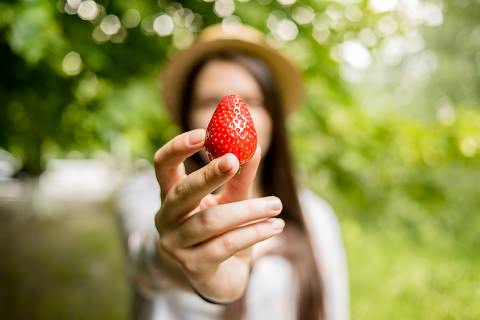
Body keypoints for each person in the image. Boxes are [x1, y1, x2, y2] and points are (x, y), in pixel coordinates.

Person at [116, 23, 349, 320]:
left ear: (274, 117)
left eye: (252, 101)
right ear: (188, 116)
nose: (237, 113)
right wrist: (180, 257)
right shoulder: (144, 194)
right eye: (210, 101)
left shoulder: (316, 217)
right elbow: (144, 264)